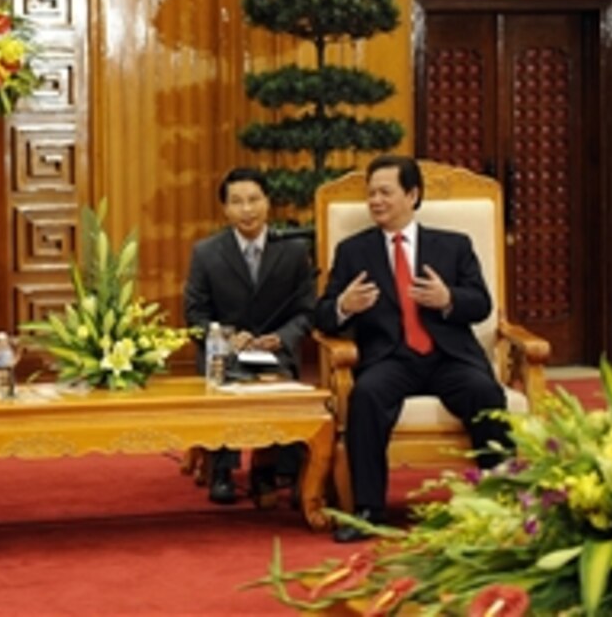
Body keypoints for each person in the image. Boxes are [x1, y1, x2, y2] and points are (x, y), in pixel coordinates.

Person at [314, 154, 511, 543]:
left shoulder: (453, 246)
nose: (375, 201)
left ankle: (500, 504)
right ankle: (368, 509)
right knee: (367, 395)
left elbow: (482, 304)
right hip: (391, 358)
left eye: (385, 192)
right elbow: (320, 315)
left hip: (447, 357)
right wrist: (343, 307)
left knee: (486, 393)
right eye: (371, 194)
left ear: (412, 194)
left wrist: (447, 298)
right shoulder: (355, 251)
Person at [184, 167, 316, 505]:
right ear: (225, 209)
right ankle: (223, 470)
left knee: (277, 383)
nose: (247, 210)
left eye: (254, 200)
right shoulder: (206, 253)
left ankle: (267, 471)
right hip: (224, 354)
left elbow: (307, 310)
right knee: (225, 379)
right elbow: (195, 316)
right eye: (237, 202)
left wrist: (282, 337)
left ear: (268, 202)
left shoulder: (293, 250)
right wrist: (226, 338)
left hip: (274, 351)